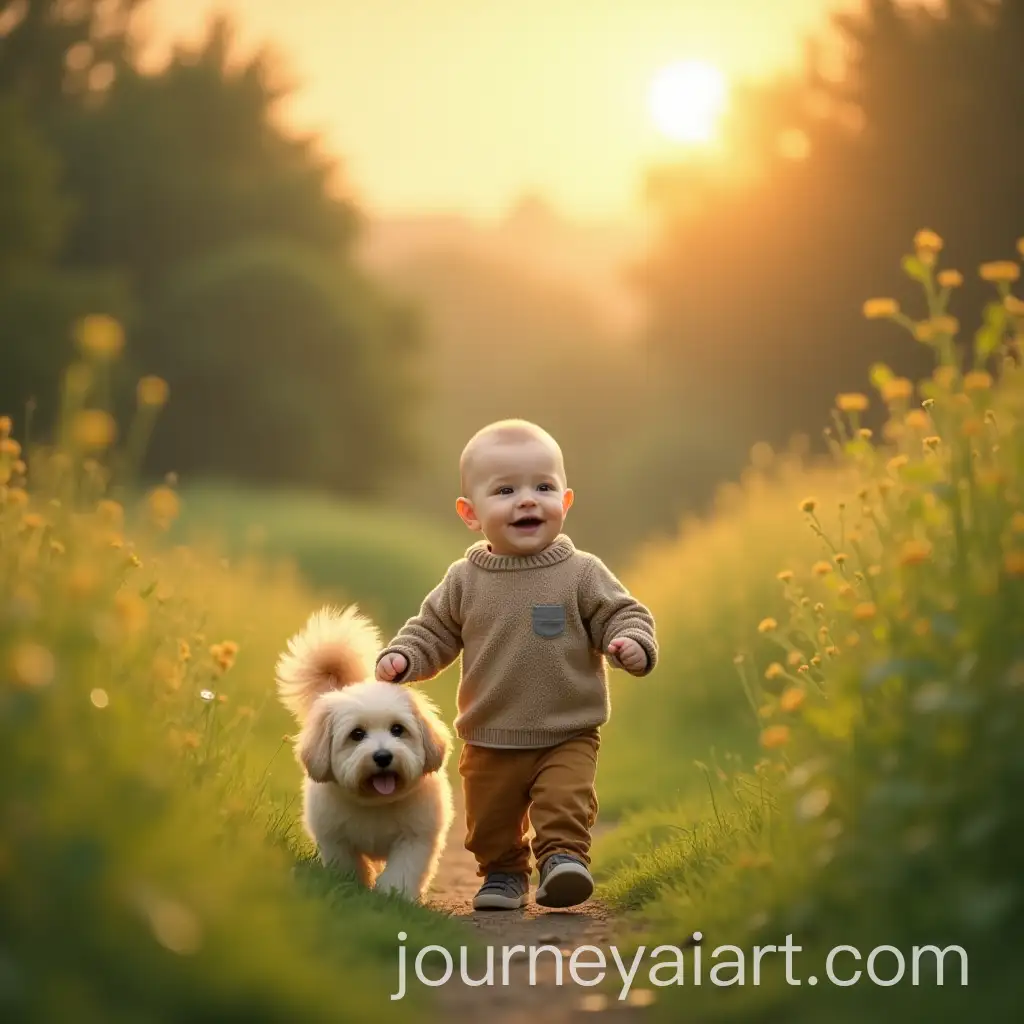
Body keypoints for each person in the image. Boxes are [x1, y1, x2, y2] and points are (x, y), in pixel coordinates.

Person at [375, 418, 657, 909]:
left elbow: (623, 613)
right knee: (489, 820)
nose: (528, 500)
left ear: (565, 501)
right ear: (470, 513)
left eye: (543, 487)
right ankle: (503, 874)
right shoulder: (464, 580)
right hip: (489, 733)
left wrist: (631, 640)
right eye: (505, 490)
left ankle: (563, 861)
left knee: (563, 803)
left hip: (568, 729)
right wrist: (405, 656)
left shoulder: (581, 572)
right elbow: (433, 630)